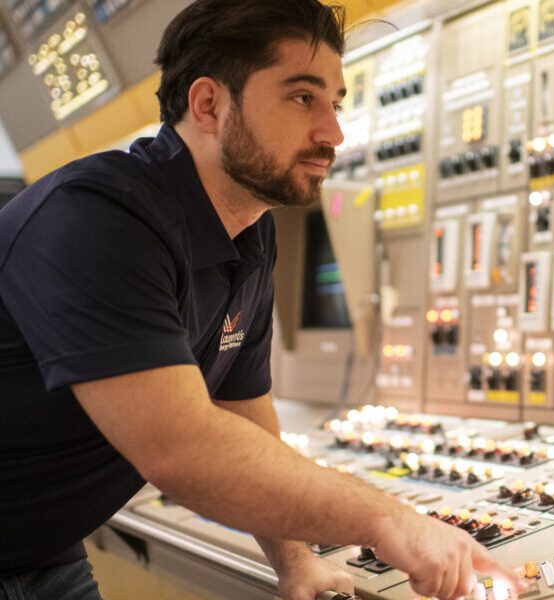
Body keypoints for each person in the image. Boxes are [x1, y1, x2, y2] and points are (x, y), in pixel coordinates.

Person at [0, 1, 516, 599]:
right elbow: (183, 449)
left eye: (336, 103)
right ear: (209, 105)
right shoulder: (97, 216)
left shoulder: (249, 233)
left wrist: (294, 562)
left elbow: (243, 412)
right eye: (302, 98)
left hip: (40, 548)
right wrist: (389, 519)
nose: (333, 132)